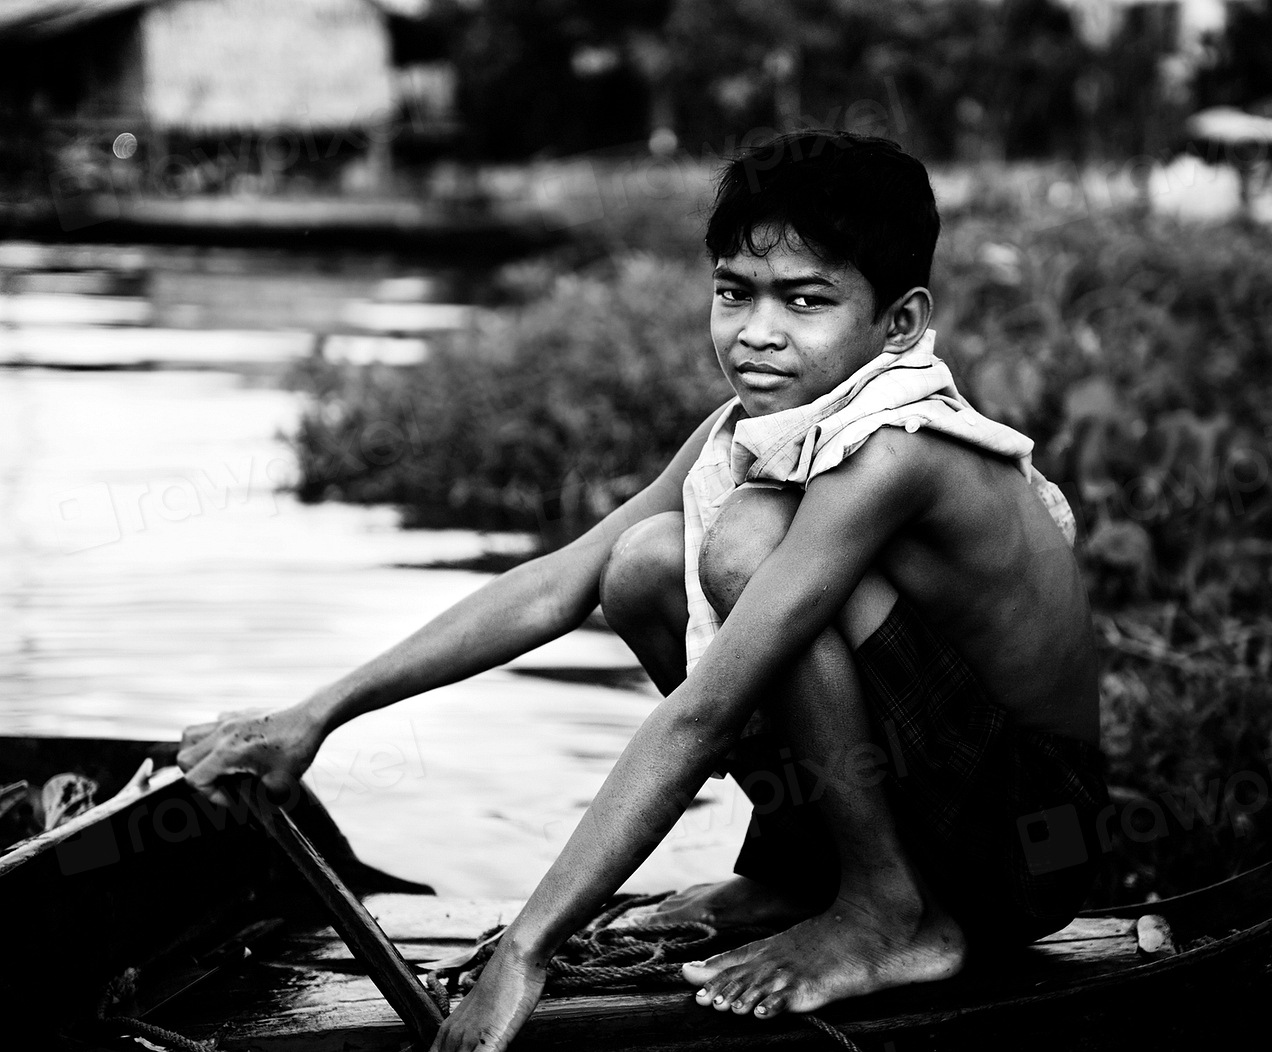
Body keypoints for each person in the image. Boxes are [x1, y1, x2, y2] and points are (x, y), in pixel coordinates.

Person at [178, 132, 1106, 1052]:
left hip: (1032, 840)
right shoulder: (755, 427)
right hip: (941, 794)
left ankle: (886, 910)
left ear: (899, 324)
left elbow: (704, 715)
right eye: (735, 292)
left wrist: (530, 950)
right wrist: (315, 714)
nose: (758, 332)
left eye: (806, 301)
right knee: (645, 563)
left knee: (741, 546)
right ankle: (800, 870)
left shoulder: (895, 450)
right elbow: (557, 585)